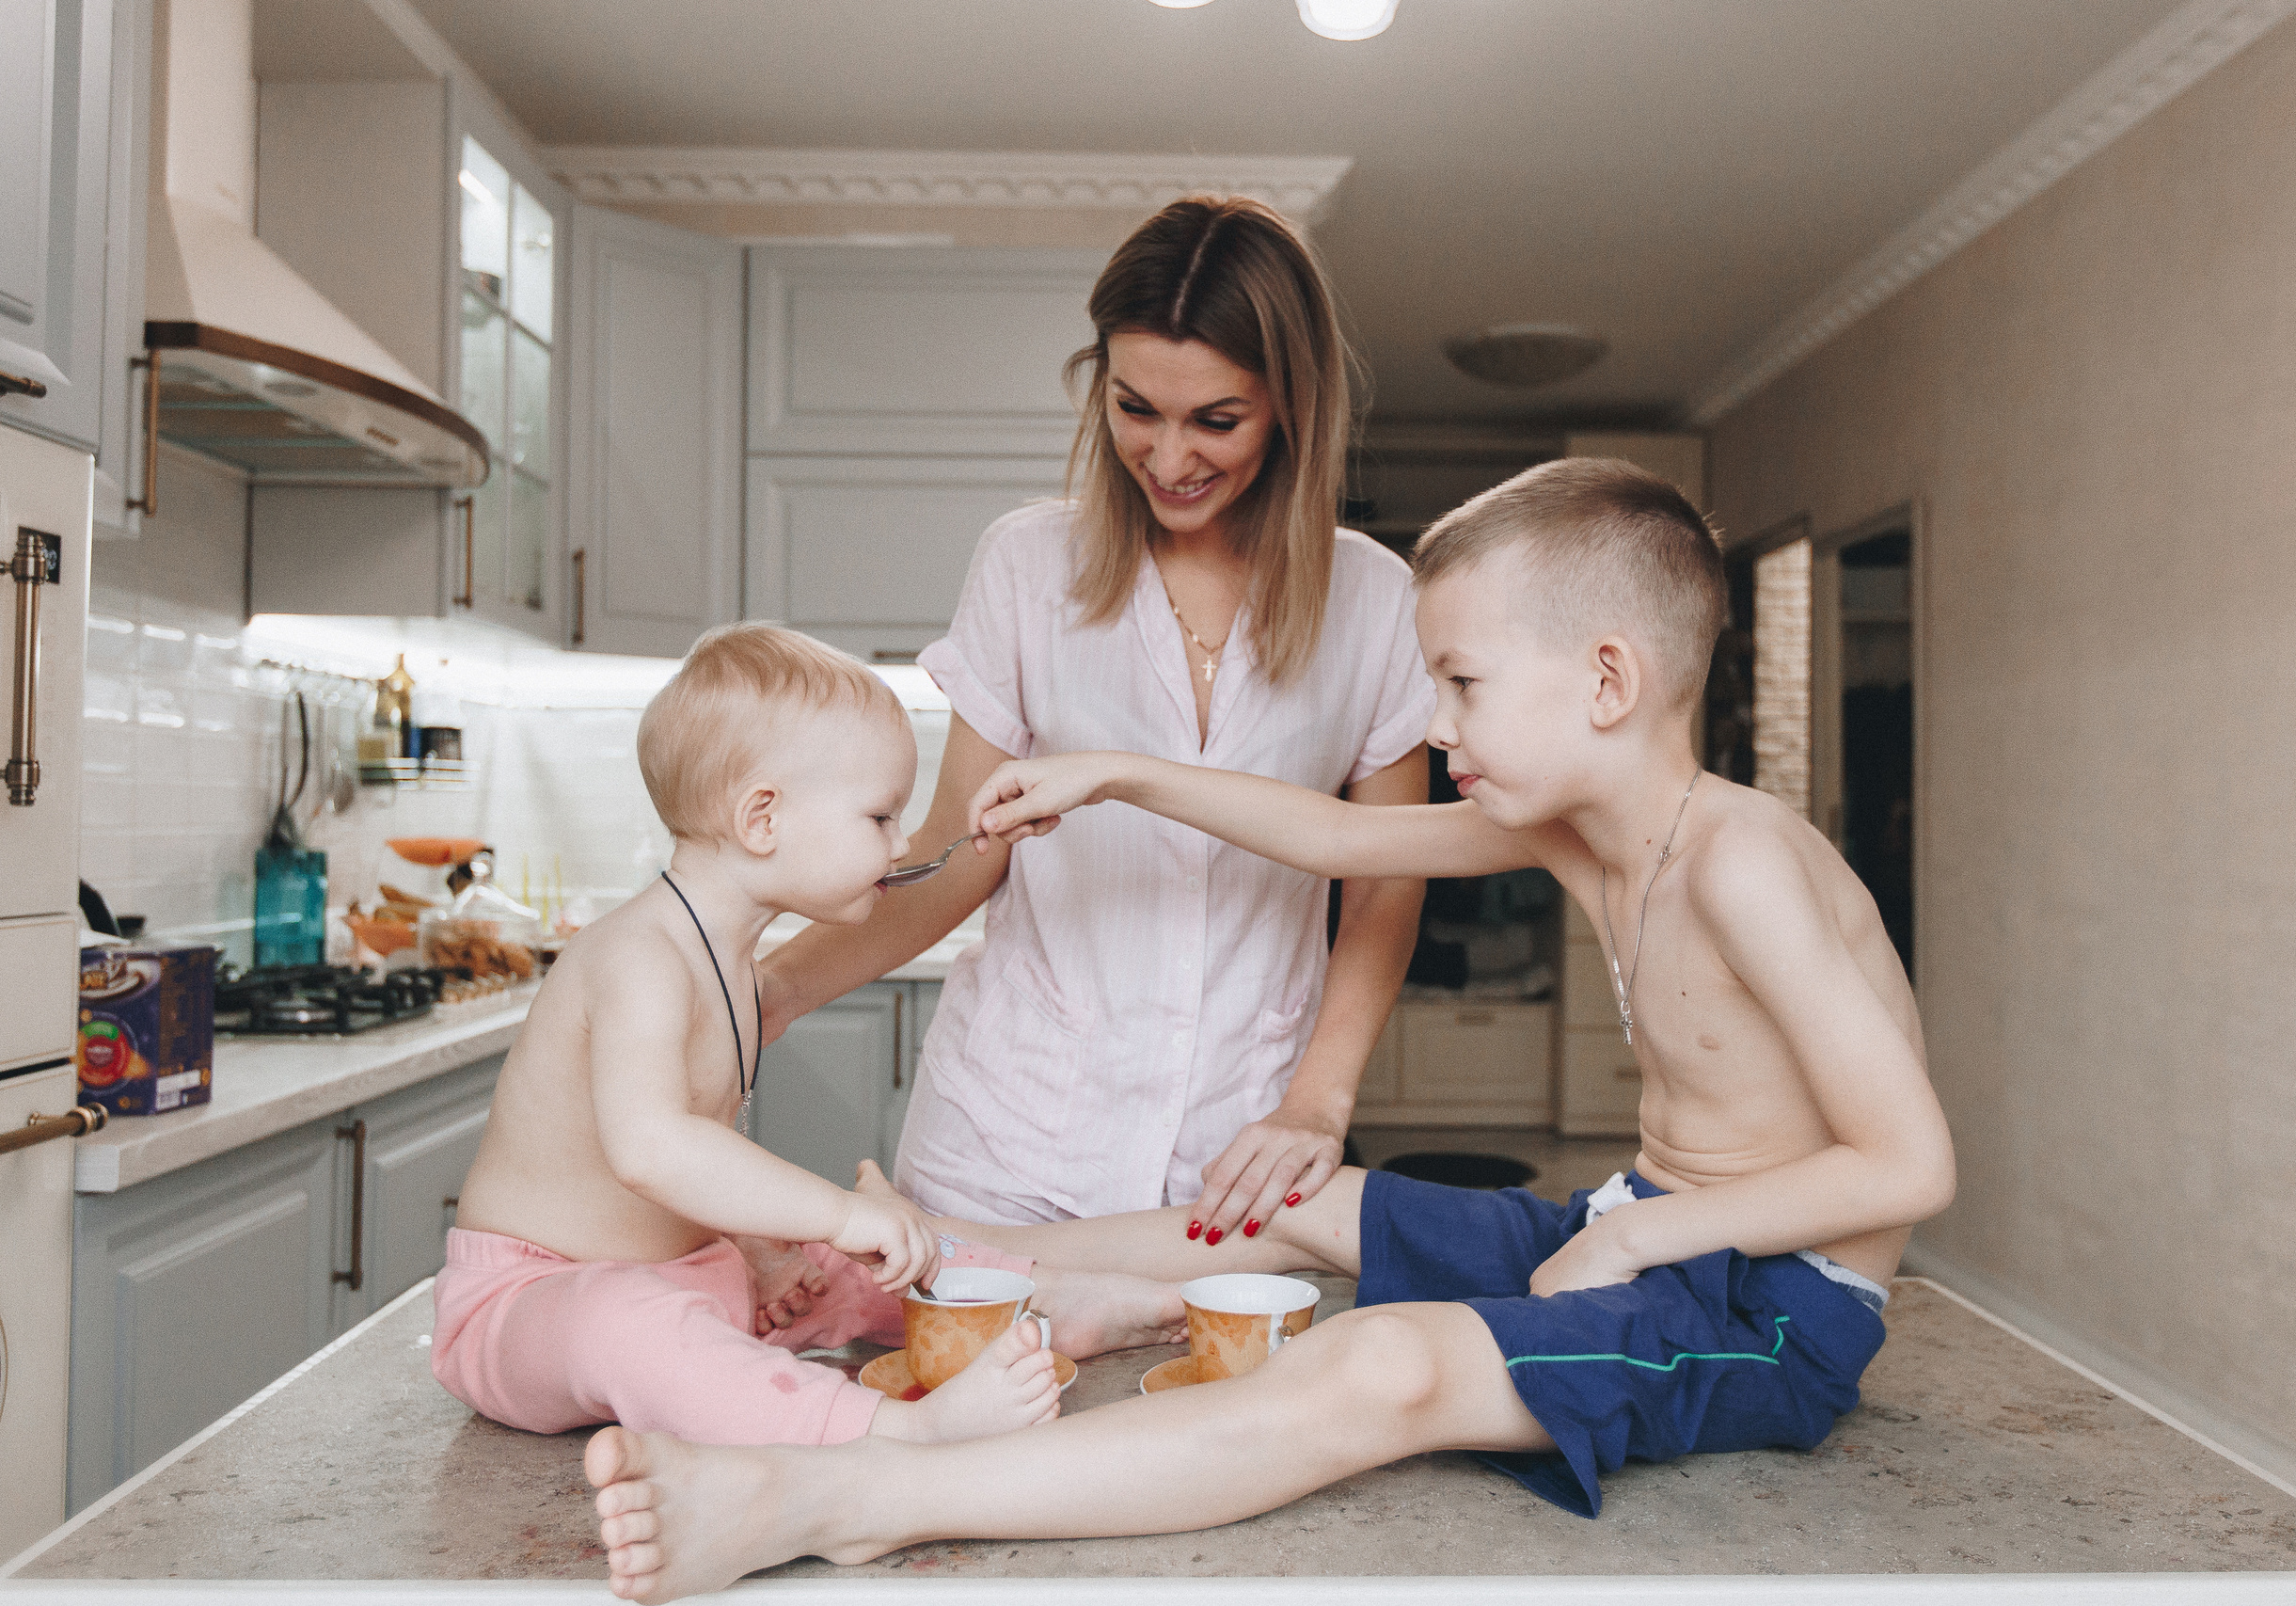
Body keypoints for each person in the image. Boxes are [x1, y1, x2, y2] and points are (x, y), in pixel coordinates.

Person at [578, 459, 1957, 1600]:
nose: (1433, 717)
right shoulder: (1592, 832)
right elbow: (1341, 831)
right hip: (1654, 1217)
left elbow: (1909, 1165)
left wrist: (1642, 1235)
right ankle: (934, 1273)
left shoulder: (1744, 861)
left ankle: (854, 1494)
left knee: (1382, 1359)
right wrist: (1118, 771)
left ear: (1608, 678)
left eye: (1462, 683)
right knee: (1309, 1201)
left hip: (1776, 1308)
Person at [755, 195, 1433, 1240]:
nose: (1168, 459)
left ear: (1294, 403)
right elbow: (959, 847)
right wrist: (772, 991)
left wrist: (1320, 1099)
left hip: (1237, 1149)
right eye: (1135, 409)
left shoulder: (1376, 600)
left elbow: (1386, 876)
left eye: (1216, 419)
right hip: (1009, 1133)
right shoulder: (1028, 566)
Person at [436, 624, 1185, 1454]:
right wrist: (834, 1212)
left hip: (688, 1277)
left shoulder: (728, 966)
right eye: (879, 815)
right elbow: (650, 1148)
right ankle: (892, 1429)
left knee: (858, 1268)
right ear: (763, 818)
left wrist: (759, 1252)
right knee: (629, 1322)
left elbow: (701, 1159)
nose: (901, 842)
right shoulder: (639, 956)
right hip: (533, 1300)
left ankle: (1043, 1299)